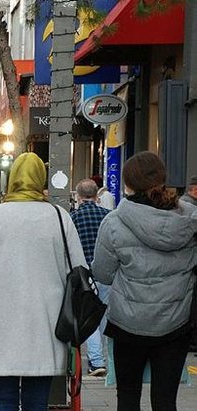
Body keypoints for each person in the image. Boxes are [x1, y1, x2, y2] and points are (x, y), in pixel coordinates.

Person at [0, 153, 87, 410]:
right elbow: (79, 272)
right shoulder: (59, 218)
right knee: (38, 401)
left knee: (3, 399)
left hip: (0, 327)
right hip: (46, 326)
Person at [92, 151, 197, 411]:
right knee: (165, 401)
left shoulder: (114, 222)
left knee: (127, 396)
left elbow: (103, 274)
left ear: (128, 183)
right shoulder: (189, 220)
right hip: (176, 320)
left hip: (127, 322)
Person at [70, 179, 111, 377]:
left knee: (88, 316)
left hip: (84, 275)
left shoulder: (73, 218)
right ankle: (104, 358)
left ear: (78, 197)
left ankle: (96, 361)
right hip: (107, 274)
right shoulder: (108, 216)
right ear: (97, 196)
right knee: (104, 317)